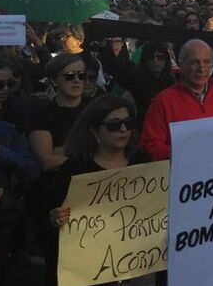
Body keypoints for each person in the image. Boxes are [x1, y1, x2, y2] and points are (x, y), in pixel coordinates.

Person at [48, 95, 151, 286]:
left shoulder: (142, 161)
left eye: (128, 123)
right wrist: (56, 218)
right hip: (92, 269)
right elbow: (54, 217)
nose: (123, 129)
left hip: (138, 264)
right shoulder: (74, 170)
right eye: (113, 125)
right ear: (94, 129)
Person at [139, 39, 213, 161]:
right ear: (182, 65)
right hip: (182, 175)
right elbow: (149, 145)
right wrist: (181, 155)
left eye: (206, 62)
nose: (201, 68)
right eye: (195, 62)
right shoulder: (163, 100)